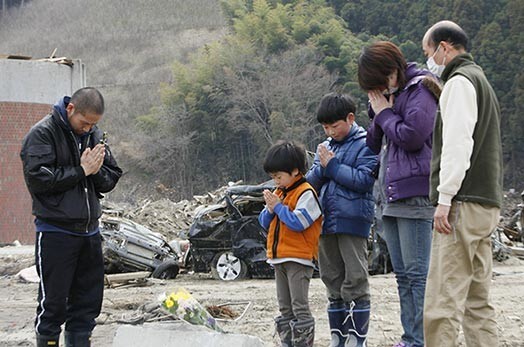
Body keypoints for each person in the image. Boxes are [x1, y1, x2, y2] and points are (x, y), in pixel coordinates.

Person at [20, 87, 123, 347]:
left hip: (89, 232)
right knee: (53, 305)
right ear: (70, 110)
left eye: (93, 125)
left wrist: (94, 171)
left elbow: (110, 178)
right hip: (56, 231)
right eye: (84, 122)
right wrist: (81, 170)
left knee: (87, 306)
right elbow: (39, 181)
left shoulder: (93, 135)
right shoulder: (42, 134)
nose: (88, 129)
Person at [421, 21, 503, 347]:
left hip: (463, 203)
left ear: (444, 47)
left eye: (428, 52)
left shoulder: (459, 82)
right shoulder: (481, 81)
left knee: (442, 301)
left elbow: (457, 145)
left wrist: (445, 197)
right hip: (487, 203)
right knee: (477, 301)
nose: (428, 59)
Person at [357, 41, 440, 347]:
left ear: (392, 70)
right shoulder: (392, 96)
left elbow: (413, 137)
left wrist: (386, 113)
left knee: (418, 276)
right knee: (402, 276)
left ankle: (420, 341)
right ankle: (410, 339)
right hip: (390, 196)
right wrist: (379, 111)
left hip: (415, 194)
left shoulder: (422, 89)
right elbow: (372, 143)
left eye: (379, 82)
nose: (377, 89)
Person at [306, 93, 378, 347]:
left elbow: (364, 181)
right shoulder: (326, 146)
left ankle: (357, 339)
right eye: (325, 127)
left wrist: (332, 166)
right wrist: (324, 166)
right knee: (331, 278)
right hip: (325, 222)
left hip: (353, 220)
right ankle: (338, 336)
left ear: (350, 118)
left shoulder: (367, 142)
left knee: (355, 278)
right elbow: (310, 182)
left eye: (334, 126)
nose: (330, 131)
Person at [258, 140, 322, 347]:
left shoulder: (306, 192)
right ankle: (287, 342)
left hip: (299, 258)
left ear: (295, 171)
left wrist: (278, 208)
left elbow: (299, 222)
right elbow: (263, 222)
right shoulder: (279, 193)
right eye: (273, 177)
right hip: (279, 257)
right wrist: (270, 208)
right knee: (284, 307)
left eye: (279, 176)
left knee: (299, 306)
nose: (275, 181)